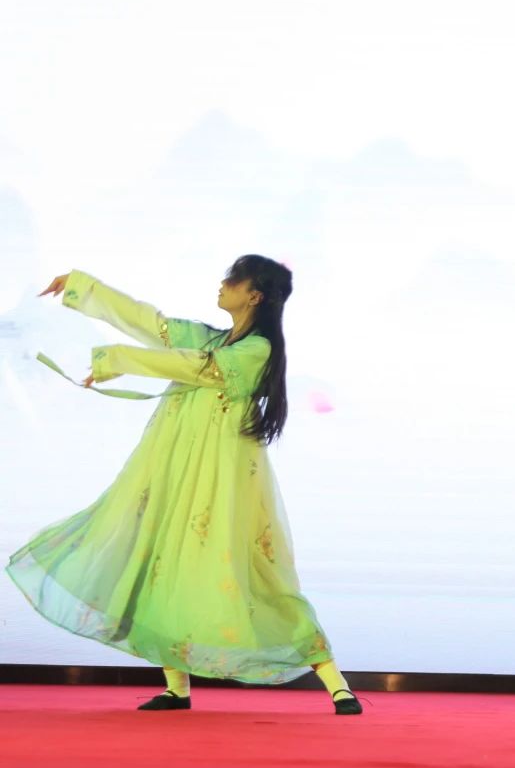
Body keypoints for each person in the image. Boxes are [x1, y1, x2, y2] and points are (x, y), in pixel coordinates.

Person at [6, 256, 361, 715]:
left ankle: (336, 684)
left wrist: (115, 359)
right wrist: (83, 287)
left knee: (257, 575)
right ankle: (177, 687)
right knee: (161, 559)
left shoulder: (257, 350)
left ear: (255, 294)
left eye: (234, 279)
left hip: (222, 480)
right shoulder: (212, 337)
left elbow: (200, 366)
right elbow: (152, 323)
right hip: (175, 468)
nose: (223, 284)